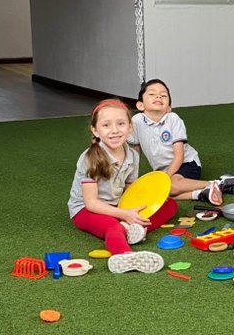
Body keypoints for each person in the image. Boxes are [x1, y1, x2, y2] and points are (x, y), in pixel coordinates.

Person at [68, 99, 177, 272]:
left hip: (118, 205)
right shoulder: (90, 159)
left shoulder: (132, 155)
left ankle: (131, 228)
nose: (115, 131)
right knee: (113, 226)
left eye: (121, 124)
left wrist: (135, 210)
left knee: (169, 205)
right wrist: (125, 214)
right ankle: (124, 254)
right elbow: (91, 203)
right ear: (95, 130)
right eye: (106, 125)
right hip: (86, 210)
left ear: (130, 127)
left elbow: (131, 190)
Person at [128, 79, 234, 206]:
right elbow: (135, 150)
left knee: (170, 186)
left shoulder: (173, 119)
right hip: (163, 171)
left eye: (163, 95)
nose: (158, 96)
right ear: (140, 105)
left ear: (169, 108)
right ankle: (201, 194)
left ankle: (221, 183)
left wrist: (165, 178)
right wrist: (132, 179)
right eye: (152, 94)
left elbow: (179, 156)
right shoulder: (136, 121)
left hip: (187, 164)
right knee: (155, 192)